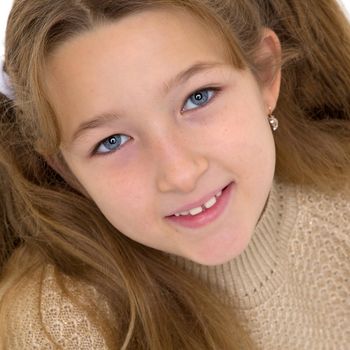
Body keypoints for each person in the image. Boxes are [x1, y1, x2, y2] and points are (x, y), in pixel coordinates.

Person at [0, 0, 349, 348]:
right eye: (112, 142)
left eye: (198, 97)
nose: (180, 174)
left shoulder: (340, 210)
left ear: (263, 72)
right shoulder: (58, 331)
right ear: (65, 169)